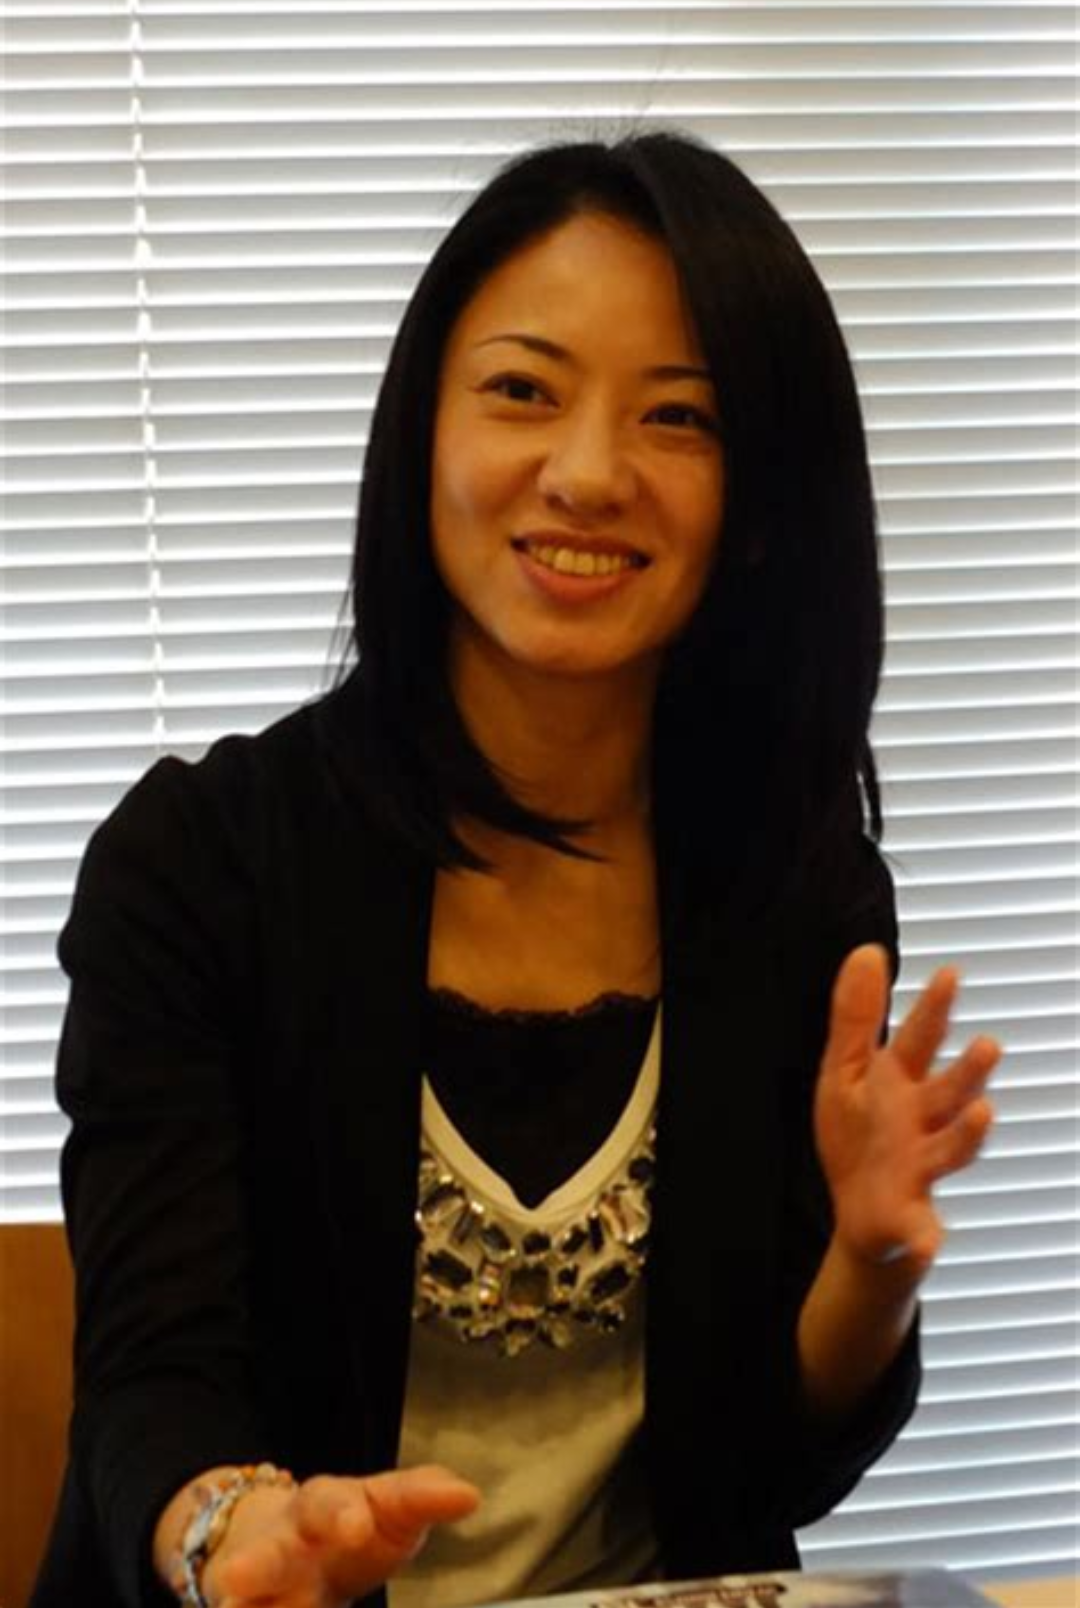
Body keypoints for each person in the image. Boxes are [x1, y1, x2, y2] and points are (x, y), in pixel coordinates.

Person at [32, 129, 1001, 1608]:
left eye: (680, 417)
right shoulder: (201, 868)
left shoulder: (793, 887)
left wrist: (867, 1263)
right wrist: (237, 1537)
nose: (590, 473)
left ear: (761, 504)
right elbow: (152, 1384)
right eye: (522, 392)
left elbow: (763, 1469)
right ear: (424, 433)